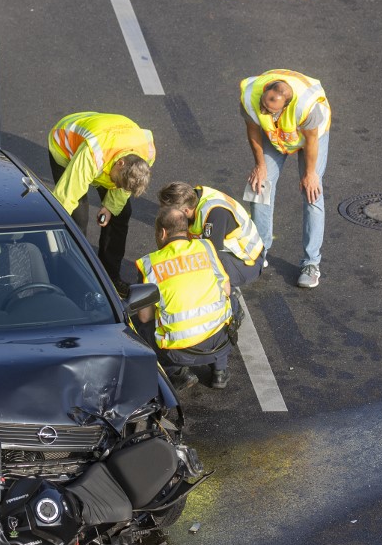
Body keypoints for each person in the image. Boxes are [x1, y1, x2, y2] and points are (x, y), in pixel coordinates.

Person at [239, 69, 331, 288]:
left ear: (285, 106)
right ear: (264, 91)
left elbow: (310, 141)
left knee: (312, 194)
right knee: (259, 186)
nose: (263, 110)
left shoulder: (308, 107)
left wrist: (310, 175)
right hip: (276, 136)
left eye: (269, 110)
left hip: (310, 138)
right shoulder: (250, 96)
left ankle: (311, 263)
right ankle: (260, 251)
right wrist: (260, 166)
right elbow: (253, 130)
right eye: (263, 104)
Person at [48, 112, 155, 296]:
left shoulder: (146, 153)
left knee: (122, 212)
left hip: (108, 153)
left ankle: (109, 276)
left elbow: (123, 188)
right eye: (118, 182)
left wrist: (110, 207)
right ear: (120, 163)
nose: (116, 187)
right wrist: (51, 232)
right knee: (77, 218)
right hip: (66, 147)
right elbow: (65, 198)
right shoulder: (92, 153)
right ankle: (73, 279)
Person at [135, 207, 236, 391]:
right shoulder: (205, 247)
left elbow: (144, 317)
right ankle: (219, 371)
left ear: (162, 232)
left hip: (179, 353)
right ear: (186, 230)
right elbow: (227, 290)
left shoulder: (150, 264)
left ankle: (177, 373)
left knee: (138, 322)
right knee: (233, 303)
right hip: (218, 342)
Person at [157, 182, 264, 289]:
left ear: (185, 211)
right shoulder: (190, 198)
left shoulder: (215, 214)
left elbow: (210, 257)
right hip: (231, 254)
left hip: (248, 262)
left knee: (203, 265)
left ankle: (228, 301)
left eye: (169, 212)